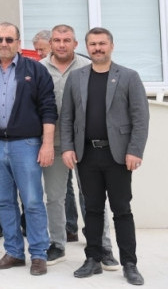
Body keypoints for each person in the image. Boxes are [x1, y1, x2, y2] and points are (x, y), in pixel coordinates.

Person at [60, 27, 149, 286]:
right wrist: (67, 147)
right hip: (87, 155)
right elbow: (67, 117)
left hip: (118, 156)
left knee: (122, 210)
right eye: (93, 44)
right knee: (93, 209)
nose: (97, 48)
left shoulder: (129, 76)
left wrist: (135, 150)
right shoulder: (76, 77)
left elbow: (140, 118)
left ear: (111, 46)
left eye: (102, 43)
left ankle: (130, 264)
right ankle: (93, 259)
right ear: (86, 47)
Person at [0, 22, 56, 276]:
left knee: (32, 201)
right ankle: (14, 252)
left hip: (26, 145)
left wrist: (47, 144)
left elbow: (48, 109)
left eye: (9, 39)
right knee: (4, 201)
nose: (4, 44)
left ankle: (38, 254)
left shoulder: (35, 70)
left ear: (18, 42)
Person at [38, 24, 116, 266]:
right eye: (57, 40)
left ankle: (103, 246)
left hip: (86, 144)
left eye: (67, 40)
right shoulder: (39, 69)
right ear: (51, 43)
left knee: (93, 197)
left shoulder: (88, 66)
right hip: (53, 144)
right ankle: (57, 244)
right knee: (54, 197)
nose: (62, 45)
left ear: (75, 43)